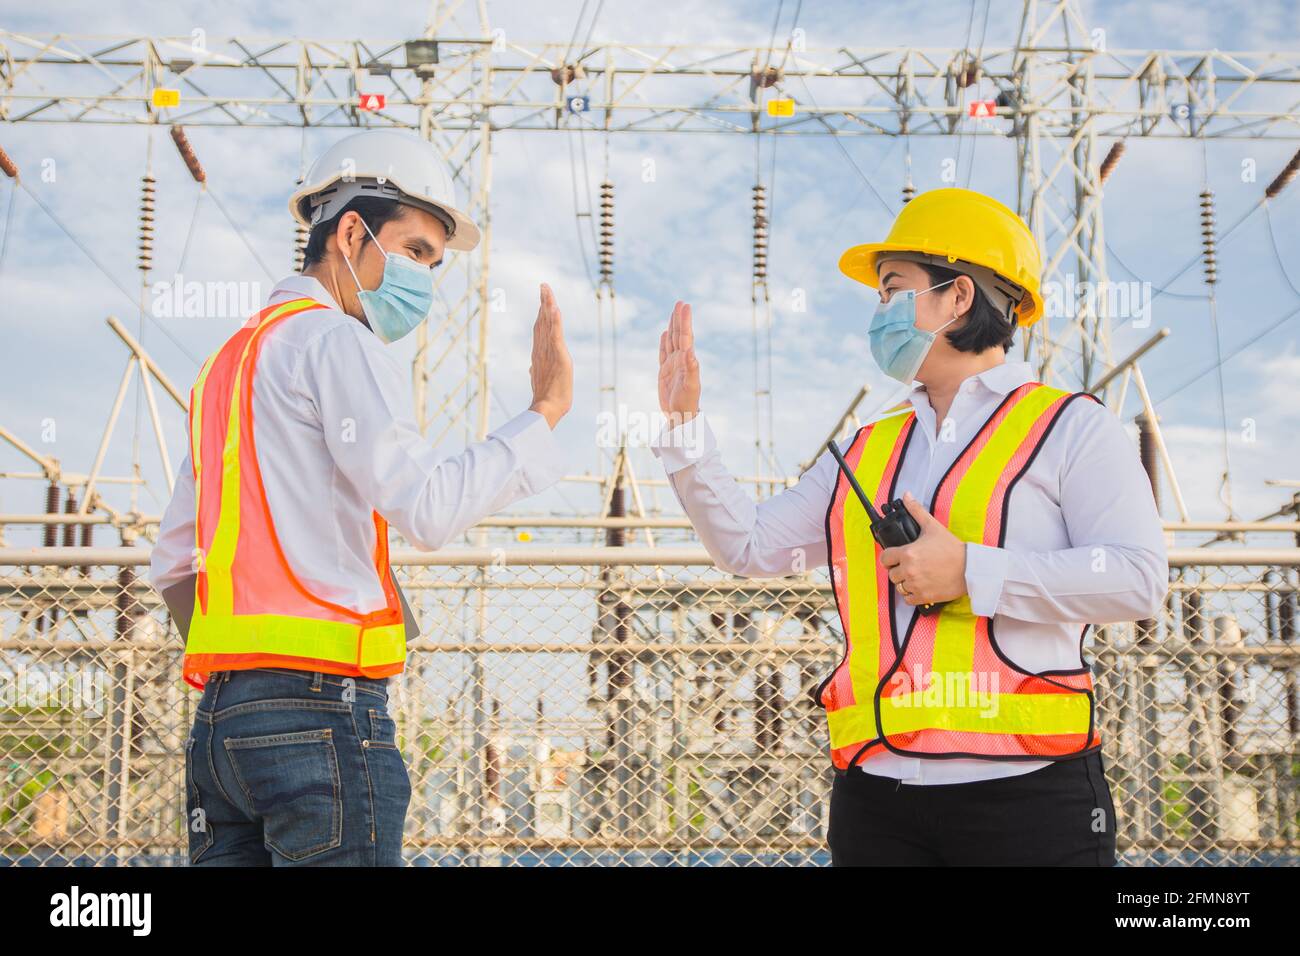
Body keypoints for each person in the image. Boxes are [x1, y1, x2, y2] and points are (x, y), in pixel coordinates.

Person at [652, 187, 1167, 866]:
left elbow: (1136, 579)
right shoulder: (868, 445)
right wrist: (685, 430)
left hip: (1029, 801)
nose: (878, 312)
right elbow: (747, 547)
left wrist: (972, 571)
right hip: (876, 800)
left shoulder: (1071, 426)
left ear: (958, 298)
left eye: (892, 289)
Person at [148, 129, 574, 866]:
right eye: (415, 252)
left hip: (222, 724)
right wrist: (544, 414)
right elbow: (429, 508)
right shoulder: (336, 344)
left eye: (434, 264)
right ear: (350, 233)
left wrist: (254, 660)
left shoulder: (225, 366)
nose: (426, 279)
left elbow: (174, 566)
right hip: (322, 716)